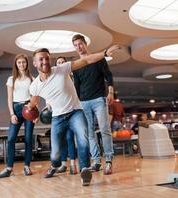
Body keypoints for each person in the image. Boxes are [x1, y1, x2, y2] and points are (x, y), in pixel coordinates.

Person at [27, 44, 120, 186]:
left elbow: (86, 61)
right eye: (41, 59)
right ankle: (54, 165)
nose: (45, 61)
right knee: (56, 153)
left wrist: (105, 52)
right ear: (34, 63)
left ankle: (85, 169)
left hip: (75, 112)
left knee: (83, 140)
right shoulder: (34, 86)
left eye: (46, 58)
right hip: (57, 118)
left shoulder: (62, 69)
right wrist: (31, 111)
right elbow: (34, 100)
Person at [72, 34, 115, 175]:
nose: (79, 47)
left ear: (85, 44)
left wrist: (110, 92)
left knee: (104, 129)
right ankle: (96, 161)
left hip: (99, 100)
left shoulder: (98, 58)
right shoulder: (77, 66)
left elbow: (108, 76)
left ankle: (108, 160)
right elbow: (76, 86)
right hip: (84, 102)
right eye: (76, 45)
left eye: (80, 43)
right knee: (89, 133)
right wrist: (76, 103)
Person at [0, 53, 35, 178]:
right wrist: (12, 113)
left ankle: (27, 167)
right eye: (19, 62)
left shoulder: (32, 78)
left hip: (29, 109)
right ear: (16, 64)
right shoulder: (11, 79)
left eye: (23, 62)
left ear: (27, 63)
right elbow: (9, 98)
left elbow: (35, 98)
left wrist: (36, 114)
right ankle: (9, 168)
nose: (21, 64)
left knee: (28, 139)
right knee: (11, 139)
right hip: (16, 109)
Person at [54, 56, 78, 175]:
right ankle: (63, 165)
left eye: (63, 62)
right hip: (59, 113)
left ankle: (73, 165)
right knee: (62, 140)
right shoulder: (55, 79)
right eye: (59, 62)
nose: (61, 64)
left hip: (72, 112)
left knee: (69, 138)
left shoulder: (73, 78)